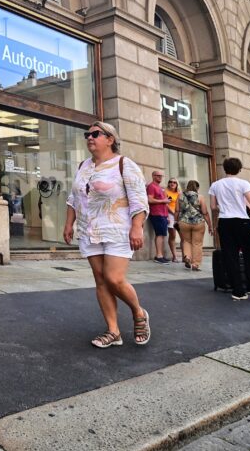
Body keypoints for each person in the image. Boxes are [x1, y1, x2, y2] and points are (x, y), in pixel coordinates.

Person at [64, 122, 151, 348]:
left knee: (114, 278)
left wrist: (137, 226)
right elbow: (74, 198)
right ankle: (113, 331)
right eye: (87, 134)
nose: (89, 137)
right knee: (101, 280)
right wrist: (69, 224)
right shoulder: (83, 166)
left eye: (95, 134)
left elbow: (139, 199)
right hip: (89, 230)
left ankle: (138, 312)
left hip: (117, 229)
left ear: (110, 139)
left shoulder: (124, 164)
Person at [208, 157, 250, 301]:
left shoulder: (215, 185)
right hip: (243, 222)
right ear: (239, 169)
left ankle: (238, 291)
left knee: (230, 256)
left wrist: (224, 207)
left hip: (224, 223)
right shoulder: (243, 183)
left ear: (224, 168)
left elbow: (213, 207)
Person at [177, 180, 212, 271]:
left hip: (184, 222)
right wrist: (210, 225)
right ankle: (195, 264)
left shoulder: (180, 196)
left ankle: (187, 257)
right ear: (197, 188)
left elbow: (177, 210)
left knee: (186, 241)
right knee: (197, 243)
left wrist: (176, 221)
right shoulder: (200, 197)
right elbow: (205, 212)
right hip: (198, 222)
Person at [146, 171, 172, 264]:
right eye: (158, 176)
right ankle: (158, 256)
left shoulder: (160, 188)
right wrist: (163, 201)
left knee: (162, 235)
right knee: (159, 234)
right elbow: (149, 199)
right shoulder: (151, 186)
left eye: (161, 176)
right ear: (153, 176)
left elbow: (165, 203)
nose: (160, 177)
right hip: (156, 214)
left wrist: (167, 216)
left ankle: (160, 255)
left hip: (163, 214)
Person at [165, 178, 181, 263]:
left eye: (174, 182)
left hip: (179, 215)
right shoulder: (165, 191)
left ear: (177, 184)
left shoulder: (179, 193)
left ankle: (185, 256)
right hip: (170, 215)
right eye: (170, 182)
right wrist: (173, 212)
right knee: (173, 236)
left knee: (183, 236)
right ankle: (174, 256)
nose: (172, 183)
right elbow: (165, 204)